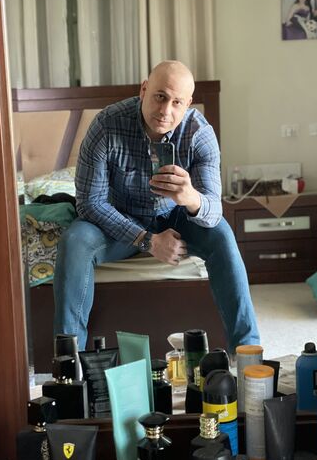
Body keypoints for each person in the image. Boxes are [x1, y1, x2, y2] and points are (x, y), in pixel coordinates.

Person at [53, 60, 260, 352]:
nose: (165, 111)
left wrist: (190, 197)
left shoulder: (199, 133)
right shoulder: (106, 125)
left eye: (177, 102)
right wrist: (148, 241)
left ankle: (248, 352)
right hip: (119, 218)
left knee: (222, 235)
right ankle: (69, 358)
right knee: (74, 241)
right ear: (144, 89)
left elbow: (213, 211)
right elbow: (89, 203)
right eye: (160, 97)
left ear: (188, 104)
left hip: (178, 217)